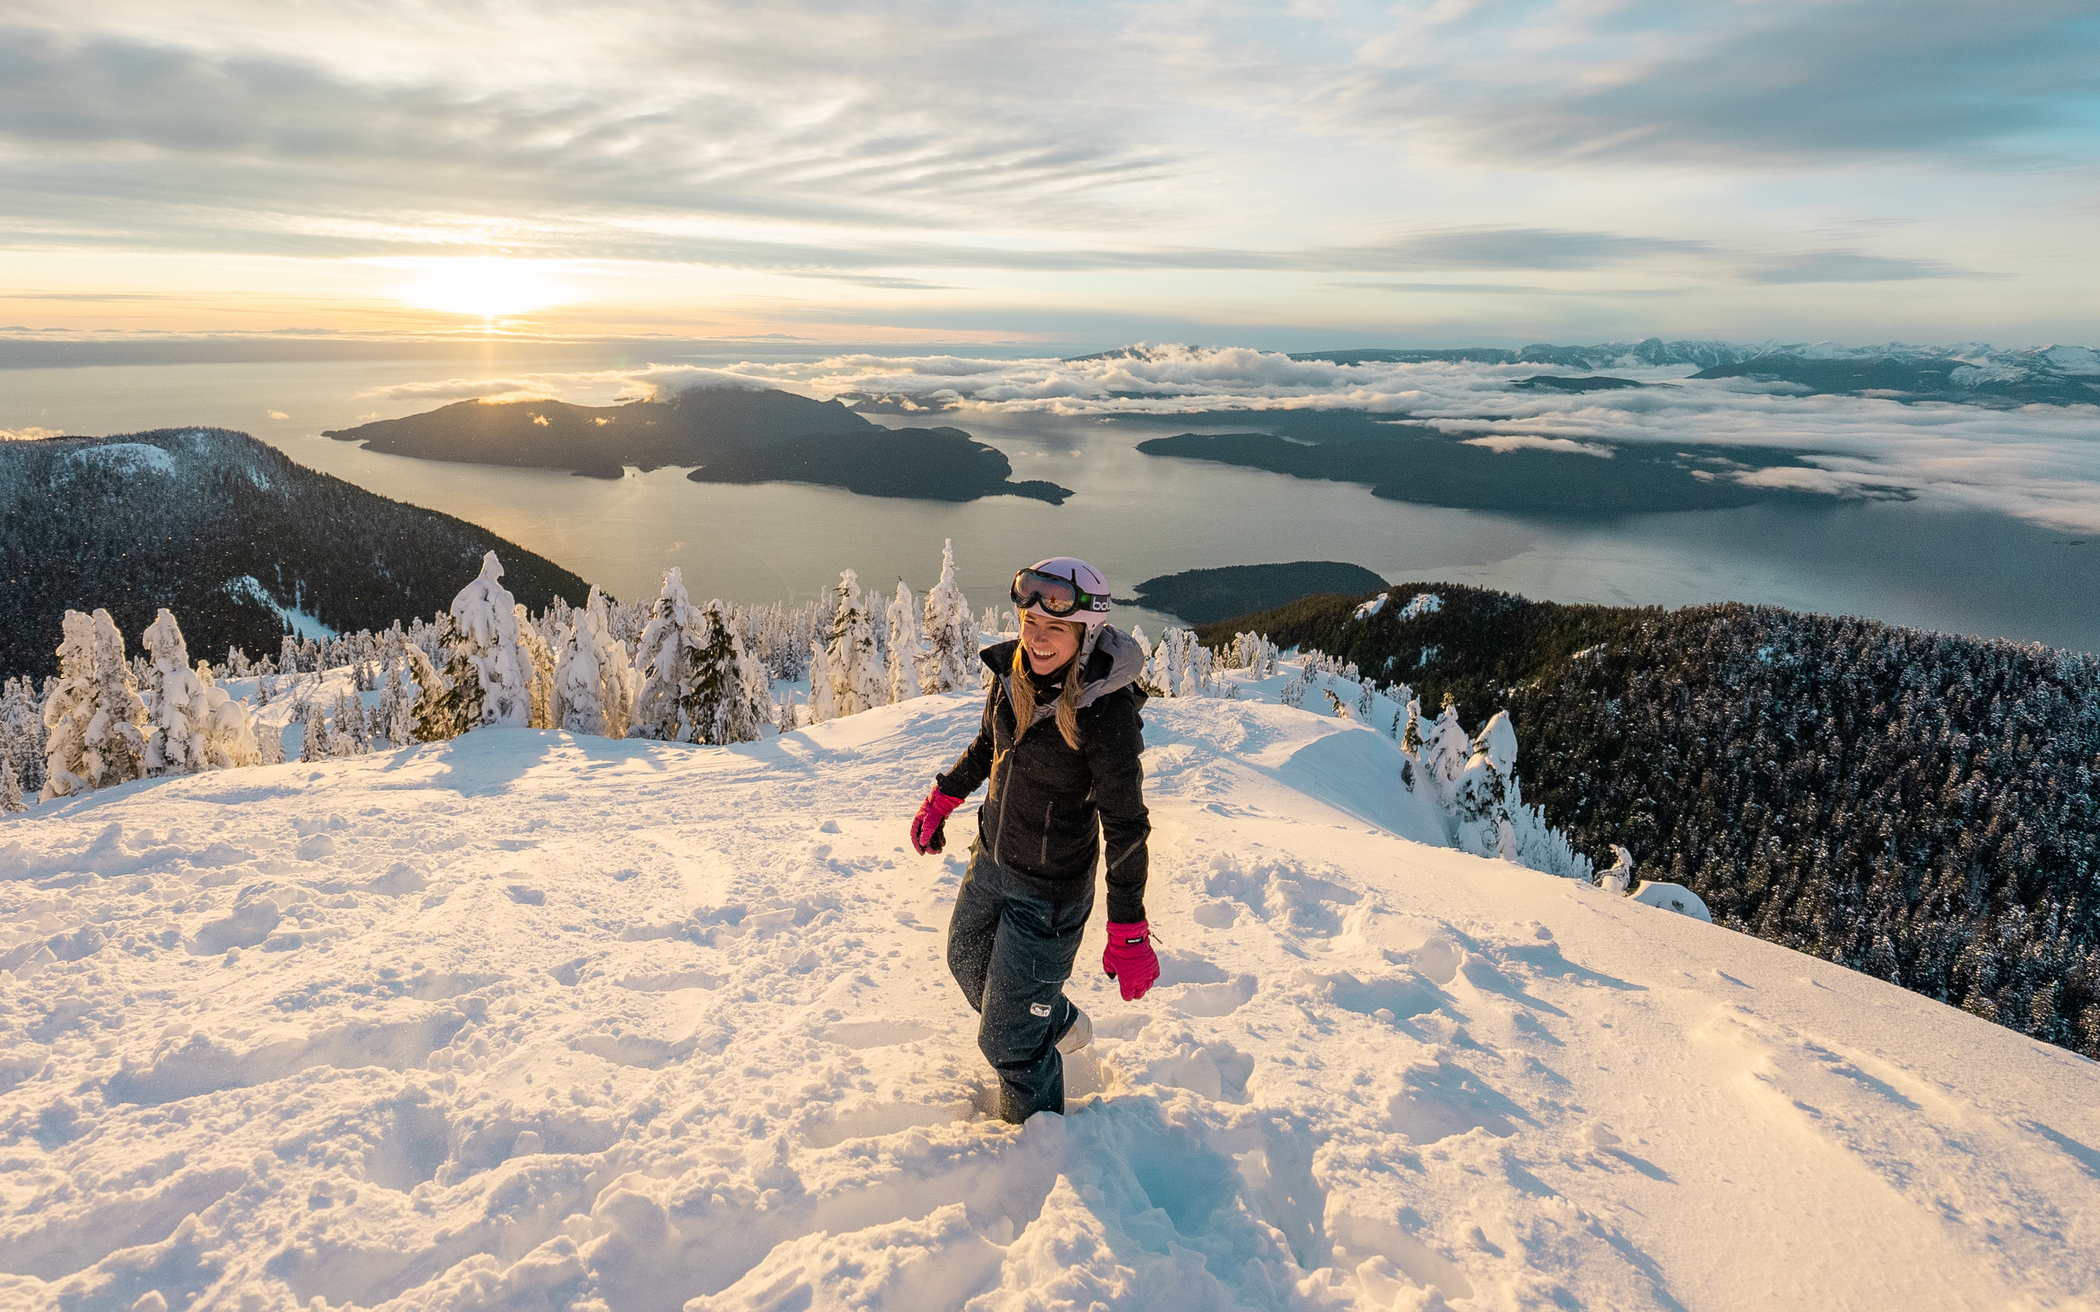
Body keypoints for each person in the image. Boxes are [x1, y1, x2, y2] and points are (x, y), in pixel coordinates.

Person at [908, 557, 1161, 1124]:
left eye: (1056, 629)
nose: (1037, 639)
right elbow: (987, 747)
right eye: (1029, 624)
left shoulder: (1105, 712)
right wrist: (946, 796)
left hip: (1048, 898)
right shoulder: (1012, 676)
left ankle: (1041, 1147)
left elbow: (1125, 825)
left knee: (1008, 1045)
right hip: (991, 862)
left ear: (1086, 632)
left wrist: (1128, 926)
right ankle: (1056, 1019)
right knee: (964, 959)